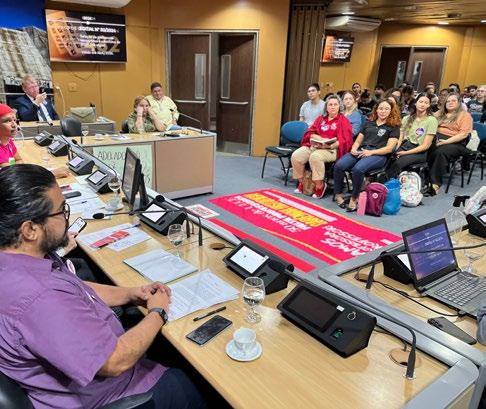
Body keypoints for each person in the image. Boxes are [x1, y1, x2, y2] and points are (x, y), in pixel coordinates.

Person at [0, 164, 206, 409]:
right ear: (30, 229)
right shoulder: (40, 298)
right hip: (112, 395)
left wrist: (130, 294)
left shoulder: (21, 260)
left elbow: (74, 287)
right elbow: (114, 361)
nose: (67, 217)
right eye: (61, 210)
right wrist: (158, 312)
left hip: (86, 374)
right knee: (197, 380)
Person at [333, 99, 400, 212]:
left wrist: (371, 152)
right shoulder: (369, 123)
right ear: (376, 110)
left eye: (386, 109)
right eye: (381, 108)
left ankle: (354, 198)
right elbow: (358, 141)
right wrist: (354, 149)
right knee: (339, 165)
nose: (383, 111)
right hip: (361, 150)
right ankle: (338, 195)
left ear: (391, 111)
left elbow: (389, 148)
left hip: (379, 155)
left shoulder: (393, 127)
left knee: (358, 169)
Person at [291, 95, 352, 198]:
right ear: (326, 107)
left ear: (339, 106)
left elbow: (346, 140)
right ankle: (303, 182)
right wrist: (320, 139)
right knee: (296, 156)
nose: (333, 107)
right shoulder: (320, 119)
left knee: (315, 156)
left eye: (335, 104)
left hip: (332, 149)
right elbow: (310, 133)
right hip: (315, 145)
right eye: (330, 104)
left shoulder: (343, 121)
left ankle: (320, 185)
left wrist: (331, 145)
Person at [0, 103, 69, 178]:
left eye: (14, 120)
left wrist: (17, 170)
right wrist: (51, 174)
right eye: (7, 121)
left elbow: (19, 160)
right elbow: (14, 176)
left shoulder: (8, 140)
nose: (14, 125)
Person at [427, 93, 473, 195]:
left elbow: (463, 134)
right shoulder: (440, 113)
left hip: (456, 142)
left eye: (453, 101)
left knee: (440, 152)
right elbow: (428, 121)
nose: (450, 103)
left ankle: (435, 183)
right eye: (448, 101)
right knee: (425, 146)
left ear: (459, 103)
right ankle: (422, 176)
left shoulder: (465, 115)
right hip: (437, 138)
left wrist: (446, 141)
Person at [386, 93, 438, 179]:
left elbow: (425, 146)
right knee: (389, 157)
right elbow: (400, 137)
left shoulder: (432, 120)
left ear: (429, 105)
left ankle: (386, 184)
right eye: (420, 102)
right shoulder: (407, 118)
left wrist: (405, 153)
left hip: (419, 151)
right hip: (405, 145)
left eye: (426, 103)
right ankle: (382, 182)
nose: (423, 104)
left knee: (398, 162)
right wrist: (395, 150)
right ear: (415, 103)